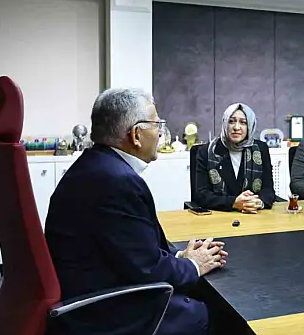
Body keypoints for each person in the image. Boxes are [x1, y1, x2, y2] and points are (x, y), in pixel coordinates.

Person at [45, 88, 226, 335]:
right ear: (136, 135)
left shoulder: (95, 166)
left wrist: (180, 256)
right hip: (105, 312)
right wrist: (193, 264)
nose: (160, 132)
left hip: (93, 287)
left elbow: (132, 252)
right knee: (210, 311)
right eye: (157, 124)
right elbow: (148, 270)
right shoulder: (116, 182)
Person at [194, 103, 275, 213]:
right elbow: (202, 195)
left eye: (243, 122)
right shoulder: (207, 151)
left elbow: (268, 190)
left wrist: (259, 202)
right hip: (219, 216)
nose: (236, 127)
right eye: (231, 121)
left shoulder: (260, 149)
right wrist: (233, 202)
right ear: (225, 123)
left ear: (250, 126)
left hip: (253, 215)